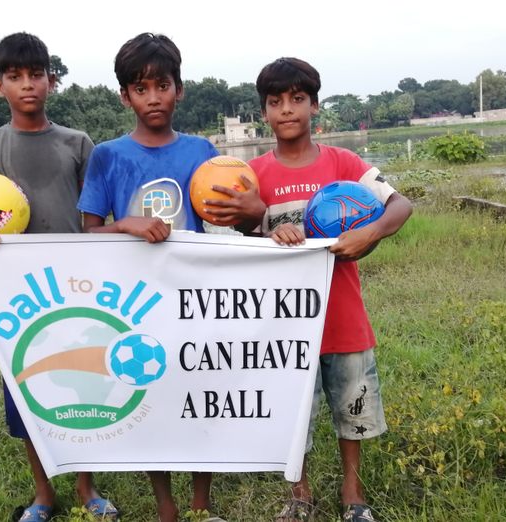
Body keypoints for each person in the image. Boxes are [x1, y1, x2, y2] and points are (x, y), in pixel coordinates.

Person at [216, 57, 413, 522]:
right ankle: (299, 494)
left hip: (342, 314)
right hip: (282, 321)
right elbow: (237, 242)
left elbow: (401, 204)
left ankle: (353, 495)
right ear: (264, 112)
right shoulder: (251, 174)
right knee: (292, 410)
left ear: (315, 105)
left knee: (353, 408)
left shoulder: (344, 163)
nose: (287, 109)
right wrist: (266, 232)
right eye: (275, 101)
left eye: (298, 99)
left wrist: (370, 232)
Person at [0, 33, 118, 522]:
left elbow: (96, 216)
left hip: (76, 287)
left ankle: (87, 488)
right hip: (16, 295)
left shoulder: (77, 142)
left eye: (36, 74)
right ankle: (43, 495)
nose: (27, 84)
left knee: (83, 385)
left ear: (51, 81)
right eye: (14, 77)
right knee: (28, 389)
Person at [76, 33, 224, 522]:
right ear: (125, 96)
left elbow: (224, 223)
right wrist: (125, 225)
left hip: (196, 300)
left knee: (200, 400)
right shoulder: (108, 155)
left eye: (163, 85)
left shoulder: (203, 151)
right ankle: (167, 506)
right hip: (136, 305)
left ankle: (201, 504)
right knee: (150, 398)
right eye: (141, 89)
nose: (154, 97)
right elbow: (88, 233)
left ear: (179, 89)